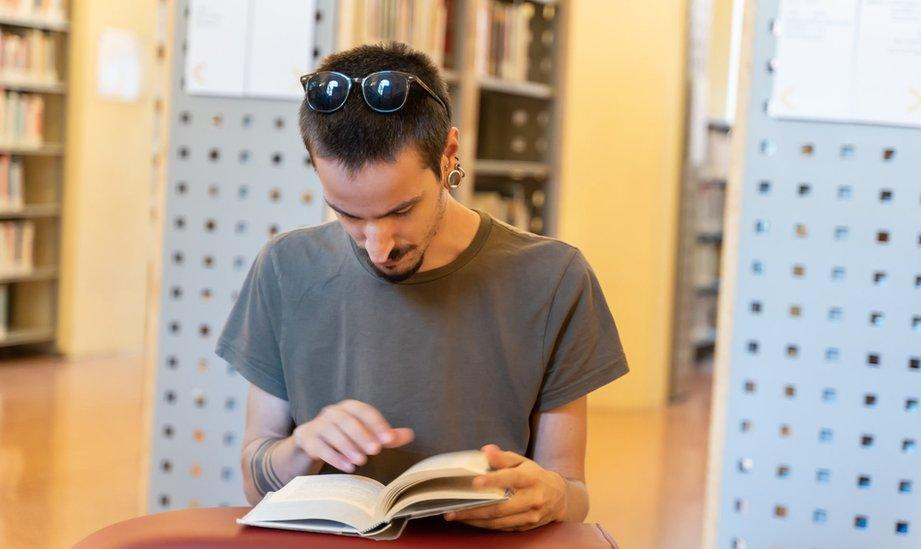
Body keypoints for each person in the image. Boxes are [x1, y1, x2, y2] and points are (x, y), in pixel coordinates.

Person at [216, 41, 628, 532]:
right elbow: (253, 478)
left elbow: (572, 492)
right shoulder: (285, 268)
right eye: (348, 215)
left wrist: (551, 496)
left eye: (400, 211)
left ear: (449, 153)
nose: (377, 246)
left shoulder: (554, 279)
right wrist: (301, 446)